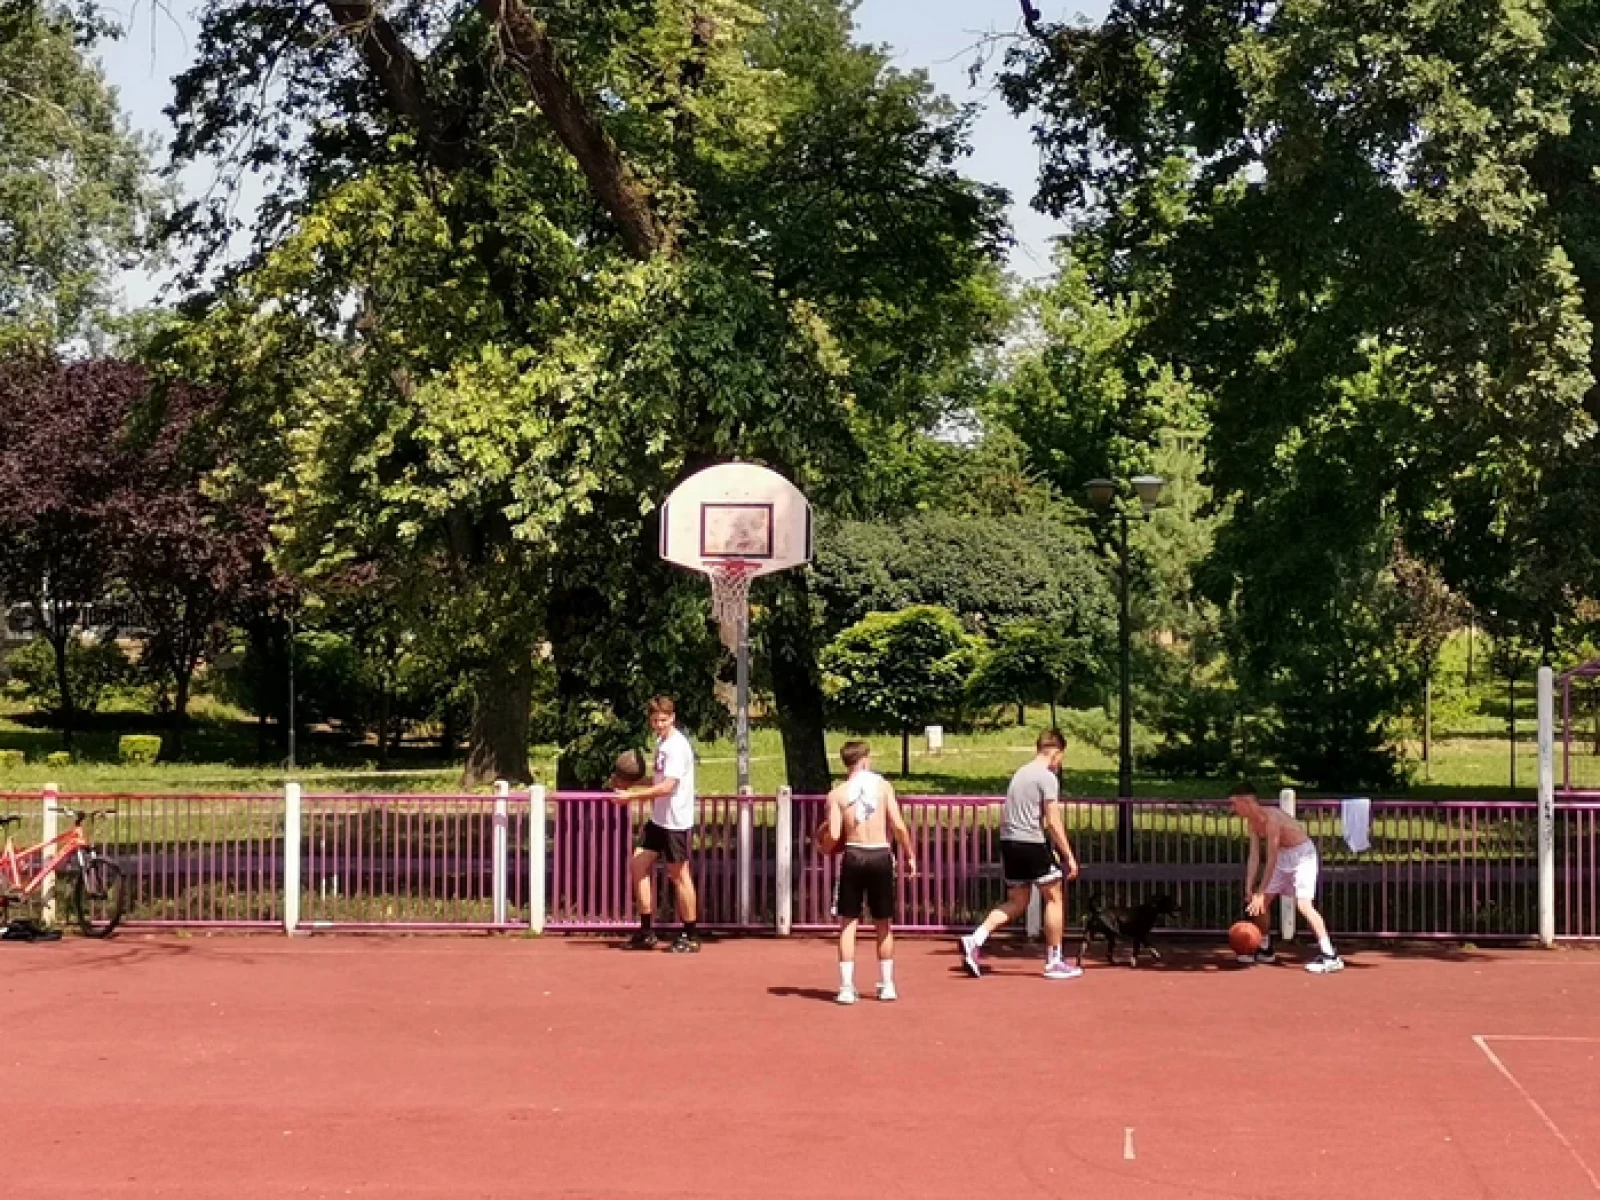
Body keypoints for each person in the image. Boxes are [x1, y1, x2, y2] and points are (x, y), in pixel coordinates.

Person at [959, 729, 1081, 980]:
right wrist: (1068, 854)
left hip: (1009, 842)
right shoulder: (1046, 778)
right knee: (1054, 896)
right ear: (1056, 752)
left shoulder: (1020, 773)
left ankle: (976, 938)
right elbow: (1053, 821)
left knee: (1018, 901)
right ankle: (1054, 960)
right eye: (1061, 757)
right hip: (1030, 842)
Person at [826, 741, 917, 1004]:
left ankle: (846, 986)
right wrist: (909, 854)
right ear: (864, 760)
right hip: (879, 854)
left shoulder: (838, 794)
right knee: (883, 922)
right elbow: (898, 825)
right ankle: (887, 984)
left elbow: (833, 835)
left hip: (854, 854)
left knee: (848, 922)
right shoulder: (883, 787)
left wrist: (823, 847)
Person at [614, 696, 700, 953]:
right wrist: (632, 783)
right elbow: (659, 779)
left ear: (672, 718)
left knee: (679, 875)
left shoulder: (677, 746)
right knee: (638, 864)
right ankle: (646, 931)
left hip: (675, 821)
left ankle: (691, 935)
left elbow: (667, 787)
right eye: (654, 720)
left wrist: (631, 796)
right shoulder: (661, 743)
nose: (658, 724)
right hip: (659, 819)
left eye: (663, 720)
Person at [1230, 783, 1343, 973]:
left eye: (1234, 804)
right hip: (1284, 856)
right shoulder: (1252, 822)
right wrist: (1250, 887)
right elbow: (1255, 855)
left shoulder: (1272, 819)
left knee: (1304, 905)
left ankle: (1330, 955)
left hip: (1302, 856)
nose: (1232, 809)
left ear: (1247, 802)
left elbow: (1271, 857)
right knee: (1259, 905)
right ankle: (1265, 949)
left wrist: (1260, 891)